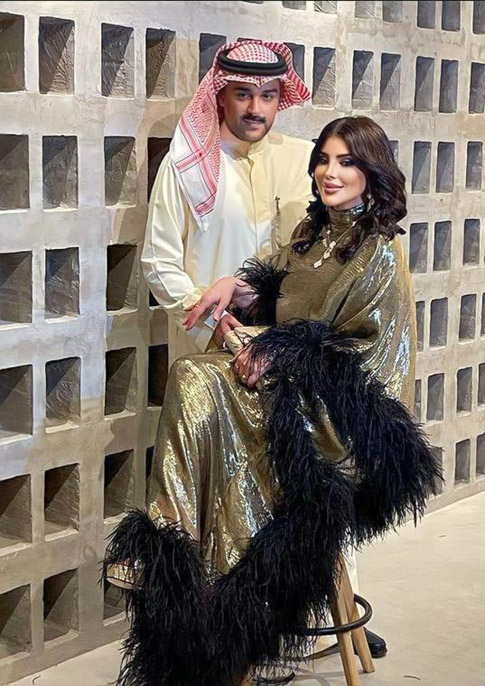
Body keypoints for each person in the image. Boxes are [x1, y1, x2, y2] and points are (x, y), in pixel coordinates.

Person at [104, 116, 441, 686]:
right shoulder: (314, 232)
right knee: (196, 381)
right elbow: (280, 290)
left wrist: (279, 352)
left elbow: (372, 365)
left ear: (372, 171)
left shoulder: (379, 253)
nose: (330, 172)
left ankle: (173, 547)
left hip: (335, 418)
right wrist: (236, 289)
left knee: (195, 377)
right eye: (324, 159)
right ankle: (176, 544)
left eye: (346, 162)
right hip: (290, 391)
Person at [141, 39, 314, 361]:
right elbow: (159, 261)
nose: (255, 109)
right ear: (221, 95)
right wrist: (210, 322)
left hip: (291, 345)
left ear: (280, 98)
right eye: (243, 94)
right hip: (212, 345)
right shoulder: (187, 164)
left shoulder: (306, 159)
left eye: (267, 96)